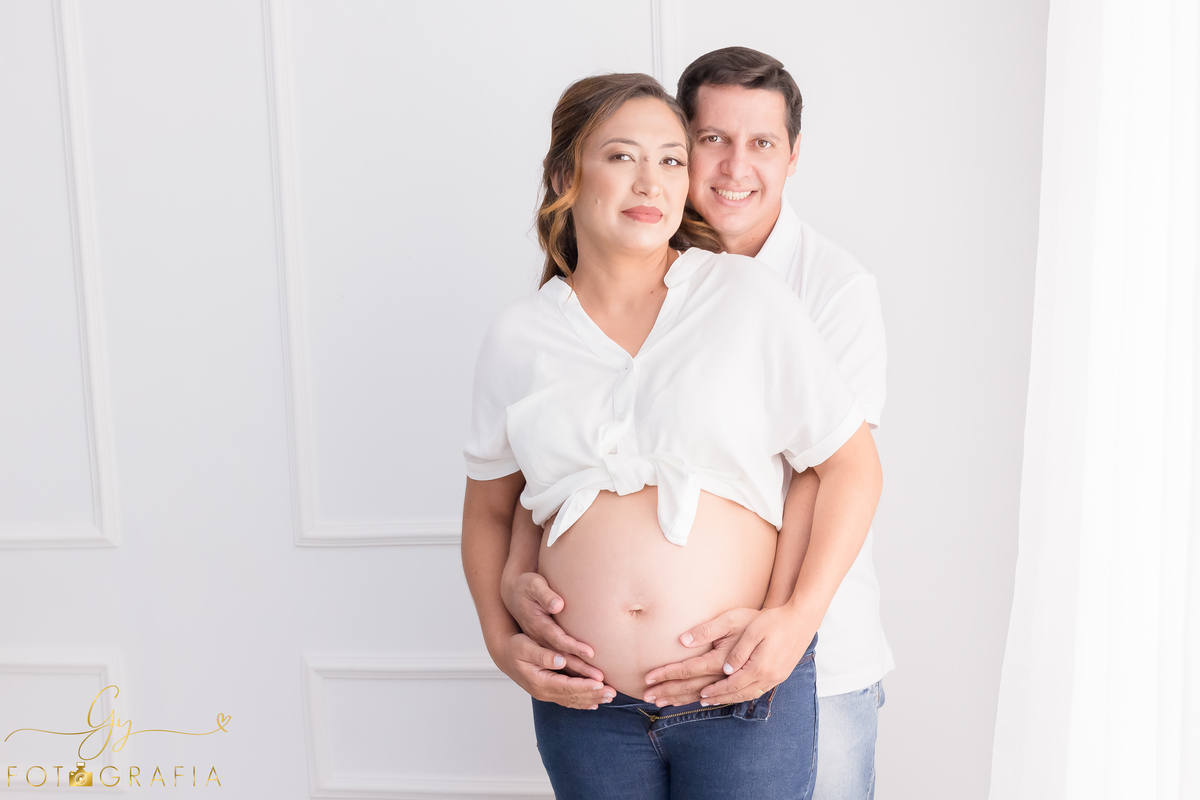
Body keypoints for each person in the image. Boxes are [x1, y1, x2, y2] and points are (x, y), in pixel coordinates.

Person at [461, 72, 882, 799]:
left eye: (671, 159)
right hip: (585, 705)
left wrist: (789, 628)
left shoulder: (746, 298)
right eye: (622, 157)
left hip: (740, 692)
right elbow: (492, 511)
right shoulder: (519, 338)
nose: (650, 181)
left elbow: (850, 468)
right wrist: (502, 643)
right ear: (566, 173)